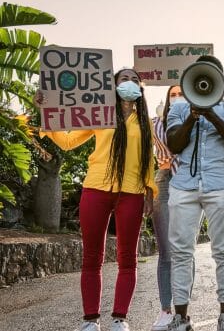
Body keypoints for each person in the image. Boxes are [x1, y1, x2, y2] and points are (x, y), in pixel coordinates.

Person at [35, 68, 157, 331]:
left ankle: (120, 318)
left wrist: (149, 190)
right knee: (92, 257)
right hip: (96, 188)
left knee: (128, 258)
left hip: (132, 193)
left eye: (135, 80)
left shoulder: (144, 122)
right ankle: (90, 320)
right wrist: (45, 113)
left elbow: (148, 159)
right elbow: (68, 142)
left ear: (140, 88)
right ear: (112, 85)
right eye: (124, 79)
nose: (130, 83)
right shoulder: (99, 115)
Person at [165, 55, 224, 331]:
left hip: (220, 185)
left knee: (223, 250)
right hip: (183, 186)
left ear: (219, 81)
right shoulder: (178, 107)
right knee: (181, 251)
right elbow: (174, 144)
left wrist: (210, 113)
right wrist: (192, 115)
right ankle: (180, 316)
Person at [150, 85, 185, 331]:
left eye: (181, 93)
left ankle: (183, 310)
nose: (177, 97)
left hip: (190, 182)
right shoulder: (154, 123)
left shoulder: (198, 118)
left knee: (185, 251)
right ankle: (165, 310)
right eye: (173, 94)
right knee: (166, 252)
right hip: (163, 179)